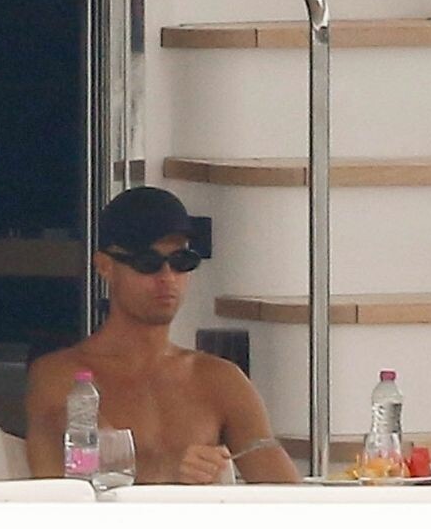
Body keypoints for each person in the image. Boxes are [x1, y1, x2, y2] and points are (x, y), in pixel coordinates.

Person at [24, 187, 298, 485]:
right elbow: (55, 491)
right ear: (105, 266)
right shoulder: (63, 377)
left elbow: (287, 496)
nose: (167, 277)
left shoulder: (220, 380)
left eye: (181, 261)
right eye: (147, 262)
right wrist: (170, 476)